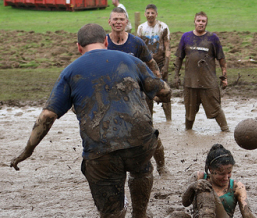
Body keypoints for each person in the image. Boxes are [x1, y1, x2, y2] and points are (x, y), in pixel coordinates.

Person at [10, 23, 171, 217]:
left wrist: (27, 151)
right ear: (105, 42)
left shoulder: (70, 72)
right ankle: (140, 213)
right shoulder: (130, 60)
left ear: (78, 47)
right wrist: (161, 95)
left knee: (112, 212)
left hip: (100, 149)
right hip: (140, 142)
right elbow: (163, 91)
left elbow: (47, 116)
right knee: (142, 170)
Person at [108, 7, 170, 176]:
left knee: (147, 132)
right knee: (112, 133)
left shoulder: (136, 43)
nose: (118, 22)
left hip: (138, 97)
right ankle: (117, 169)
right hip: (112, 99)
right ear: (110, 22)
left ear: (126, 22)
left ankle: (162, 166)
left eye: (122, 19)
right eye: (115, 19)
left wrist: (159, 87)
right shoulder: (104, 43)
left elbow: (151, 64)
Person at [174, 11, 229, 132]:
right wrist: (176, 76)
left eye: (203, 21)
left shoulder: (212, 38)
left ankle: (226, 131)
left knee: (216, 108)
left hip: (208, 82)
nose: (200, 23)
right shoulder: (186, 37)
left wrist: (224, 77)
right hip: (190, 82)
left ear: (206, 23)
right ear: (194, 22)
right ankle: (188, 132)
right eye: (198, 20)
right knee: (189, 112)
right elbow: (179, 58)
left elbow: (221, 59)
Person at [169, 144, 256, 218]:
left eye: (229, 173)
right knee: (176, 215)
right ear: (210, 169)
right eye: (221, 174)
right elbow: (185, 202)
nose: (226, 178)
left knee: (206, 188)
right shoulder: (199, 177)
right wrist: (192, 186)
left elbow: (247, 214)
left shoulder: (237, 187)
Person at [137, 4, 172, 121]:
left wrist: (166, 66)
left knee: (165, 93)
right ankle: (149, 120)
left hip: (160, 63)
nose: (150, 15)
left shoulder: (163, 27)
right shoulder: (141, 28)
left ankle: (169, 120)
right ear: (145, 14)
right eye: (148, 13)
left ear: (156, 14)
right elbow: (139, 48)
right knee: (147, 94)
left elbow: (167, 47)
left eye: (152, 13)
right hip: (146, 65)